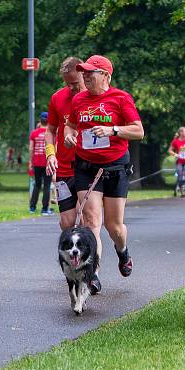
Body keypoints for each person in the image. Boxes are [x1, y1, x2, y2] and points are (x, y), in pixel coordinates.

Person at [63, 55, 144, 294]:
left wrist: (113, 130)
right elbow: (72, 125)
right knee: (91, 222)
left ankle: (123, 252)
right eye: (84, 73)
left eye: (91, 73)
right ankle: (93, 273)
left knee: (114, 226)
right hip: (86, 168)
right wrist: (69, 135)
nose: (85, 76)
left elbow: (138, 131)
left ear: (106, 76)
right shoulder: (78, 100)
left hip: (116, 167)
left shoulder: (121, 98)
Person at [45, 56, 86, 230]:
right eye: (67, 83)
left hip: (87, 167)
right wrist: (50, 154)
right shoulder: (57, 98)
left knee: (85, 216)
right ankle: (74, 254)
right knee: (67, 223)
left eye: (75, 83)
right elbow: (50, 130)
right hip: (64, 168)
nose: (71, 87)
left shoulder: (95, 98)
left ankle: (88, 256)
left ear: (84, 74)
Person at [28, 112, 52, 215]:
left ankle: (32, 208)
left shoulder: (34, 133)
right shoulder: (51, 133)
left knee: (37, 185)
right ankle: (45, 209)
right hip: (48, 162)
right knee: (47, 185)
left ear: (40, 120)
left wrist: (30, 161)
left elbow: (31, 148)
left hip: (36, 162)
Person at [168, 126, 185, 197]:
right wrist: (175, 154)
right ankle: (182, 193)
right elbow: (169, 150)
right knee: (179, 178)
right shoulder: (175, 141)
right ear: (181, 132)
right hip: (179, 162)